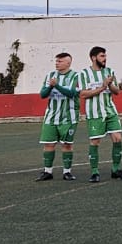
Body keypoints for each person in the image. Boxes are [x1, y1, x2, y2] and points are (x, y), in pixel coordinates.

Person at [80, 45, 122, 182]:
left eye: (105, 56)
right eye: (102, 56)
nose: (105, 59)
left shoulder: (109, 71)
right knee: (95, 141)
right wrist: (102, 87)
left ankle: (116, 169)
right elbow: (83, 94)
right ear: (94, 58)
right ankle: (95, 172)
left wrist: (110, 84)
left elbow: (117, 91)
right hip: (95, 113)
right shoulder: (84, 74)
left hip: (110, 111)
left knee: (117, 138)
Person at [36, 51, 81, 180]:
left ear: (68, 62)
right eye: (56, 61)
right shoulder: (50, 75)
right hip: (51, 115)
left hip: (69, 116)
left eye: (60, 61)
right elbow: (43, 95)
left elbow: (72, 93)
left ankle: (67, 172)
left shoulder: (76, 76)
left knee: (67, 144)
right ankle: (47, 172)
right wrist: (50, 86)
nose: (57, 63)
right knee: (48, 144)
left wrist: (57, 85)